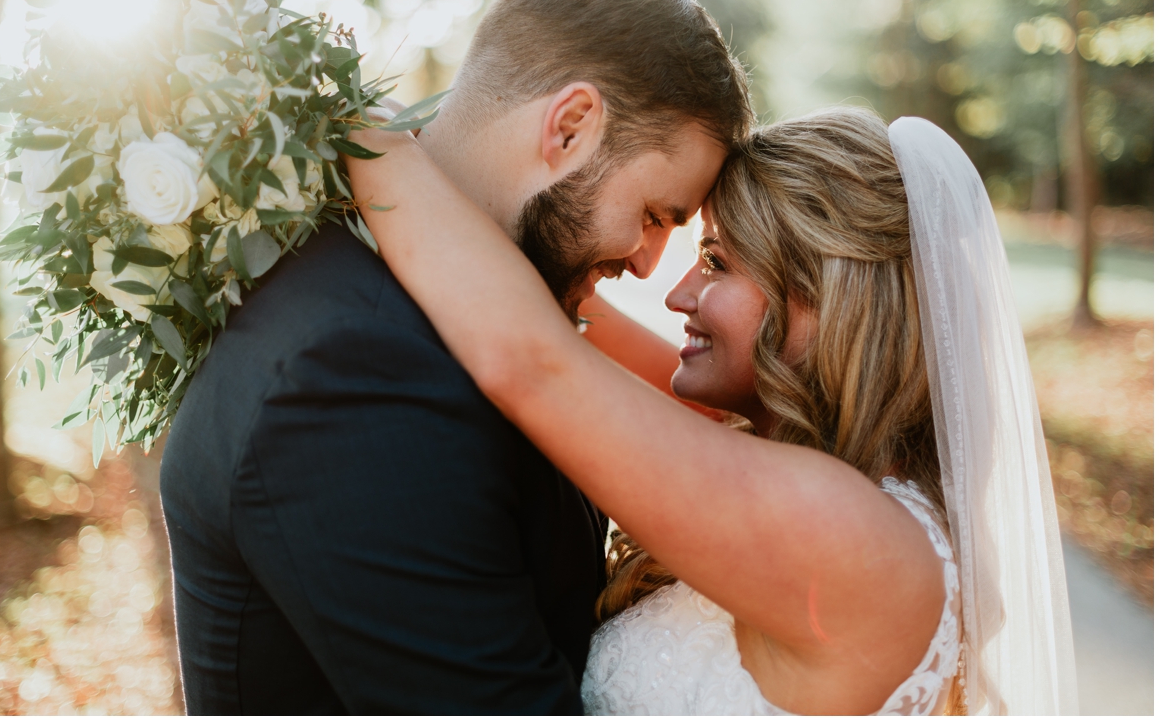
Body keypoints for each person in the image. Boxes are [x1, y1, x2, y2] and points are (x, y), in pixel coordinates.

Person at [158, 0, 751, 714]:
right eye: (652, 217)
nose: (647, 264)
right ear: (569, 127)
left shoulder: (429, 312)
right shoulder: (349, 369)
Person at [344, 107, 1079, 714]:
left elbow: (531, 361)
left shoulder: (854, 539)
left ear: (826, 301)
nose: (676, 294)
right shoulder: (766, 456)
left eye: (719, 262)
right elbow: (560, 304)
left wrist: (344, 117)